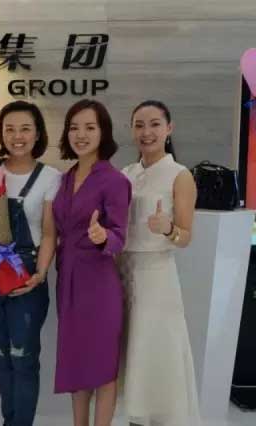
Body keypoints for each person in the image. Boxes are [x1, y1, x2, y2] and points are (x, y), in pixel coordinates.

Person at [0, 100, 60, 426]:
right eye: (10, 129)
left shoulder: (50, 177)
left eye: (25, 129)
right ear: (1, 134)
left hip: (27, 276)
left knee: (24, 358)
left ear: (38, 134)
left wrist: (40, 274)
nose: (17, 136)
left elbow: (49, 233)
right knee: (1, 357)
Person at [119, 100, 201, 426]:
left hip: (157, 276)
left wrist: (168, 228)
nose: (146, 132)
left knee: (155, 352)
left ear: (169, 128)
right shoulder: (126, 174)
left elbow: (186, 236)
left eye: (154, 124)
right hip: (123, 272)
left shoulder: (180, 175)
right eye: (139, 125)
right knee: (130, 353)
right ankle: (136, 419)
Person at [51, 99, 131, 426]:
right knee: (76, 364)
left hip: (98, 283)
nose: (80, 135)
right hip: (68, 281)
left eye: (89, 127)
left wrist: (103, 236)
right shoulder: (65, 179)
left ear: (103, 132)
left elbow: (120, 235)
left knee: (102, 367)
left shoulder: (114, 180)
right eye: (74, 128)